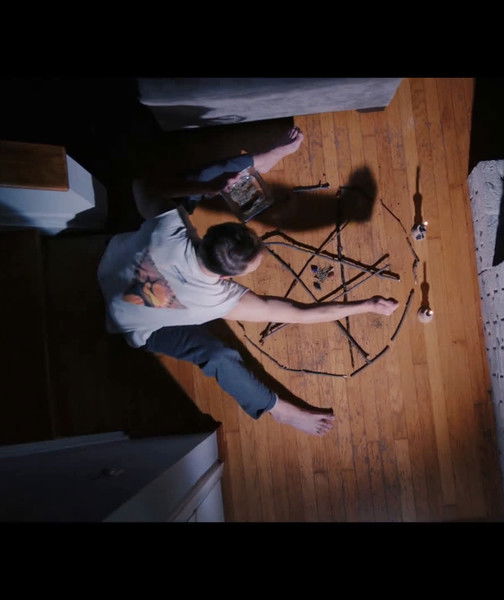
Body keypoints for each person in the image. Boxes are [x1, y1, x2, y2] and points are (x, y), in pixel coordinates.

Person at [97, 127, 399, 436]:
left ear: (206, 234)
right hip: (138, 328)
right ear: (228, 278)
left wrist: (207, 188)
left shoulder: (169, 228)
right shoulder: (218, 301)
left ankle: (263, 159)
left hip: (107, 263)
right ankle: (280, 410)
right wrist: (366, 305)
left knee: (202, 182)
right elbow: (300, 313)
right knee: (217, 356)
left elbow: (142, 186)